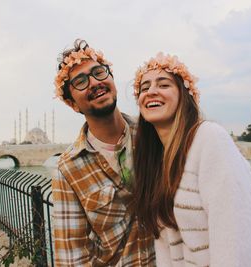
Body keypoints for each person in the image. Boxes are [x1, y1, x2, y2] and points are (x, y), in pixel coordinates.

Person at [132, 53, 251, 267]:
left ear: (184, 97)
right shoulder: (155, 161)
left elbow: (234, 239)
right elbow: (165, 247)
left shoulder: (210, 139)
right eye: (144, 87)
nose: (151, 92)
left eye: (163, 84)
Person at [51, 39, 155, 266]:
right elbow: (72, 257)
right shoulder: (67, 169)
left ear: (111, 78)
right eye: (80, 81)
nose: (94, 83)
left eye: (98, 72)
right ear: (72, 104)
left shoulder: (153, 135)